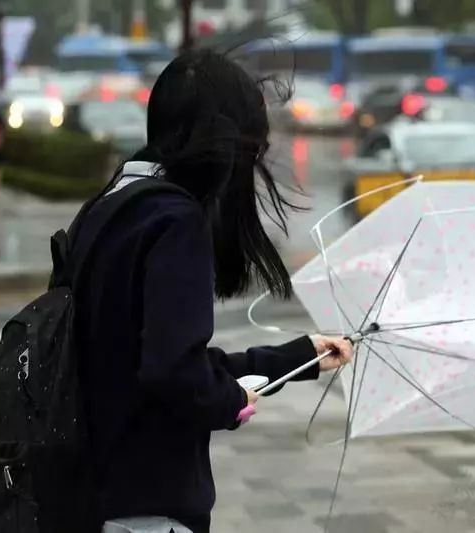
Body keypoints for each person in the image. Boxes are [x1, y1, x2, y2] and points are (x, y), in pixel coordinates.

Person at [72, 49, 354, 533]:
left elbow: (152, 358)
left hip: (94, 494)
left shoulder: (112, 205)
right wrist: (227, 404)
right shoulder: (175, 220)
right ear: (223, 146)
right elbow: (173, 373)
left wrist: (292, 358)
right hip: (147, 506)